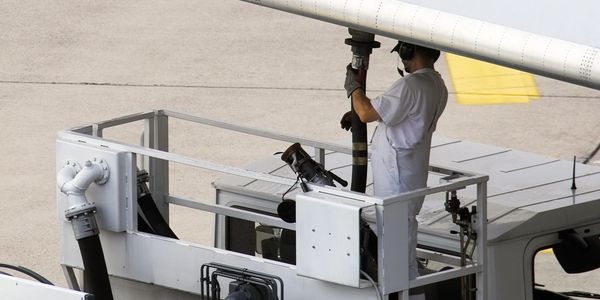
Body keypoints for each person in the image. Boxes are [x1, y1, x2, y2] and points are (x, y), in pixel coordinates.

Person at [342, 41, 448, 298]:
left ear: (409, 51)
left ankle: (403, 294)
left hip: (396, 177)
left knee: (396, 249)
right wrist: (356, 110)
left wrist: (354, 89)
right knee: (402, 244)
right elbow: (401, 115)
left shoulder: (411, 85)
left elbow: (366, 112)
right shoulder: (437, 85)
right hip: (409, 175)